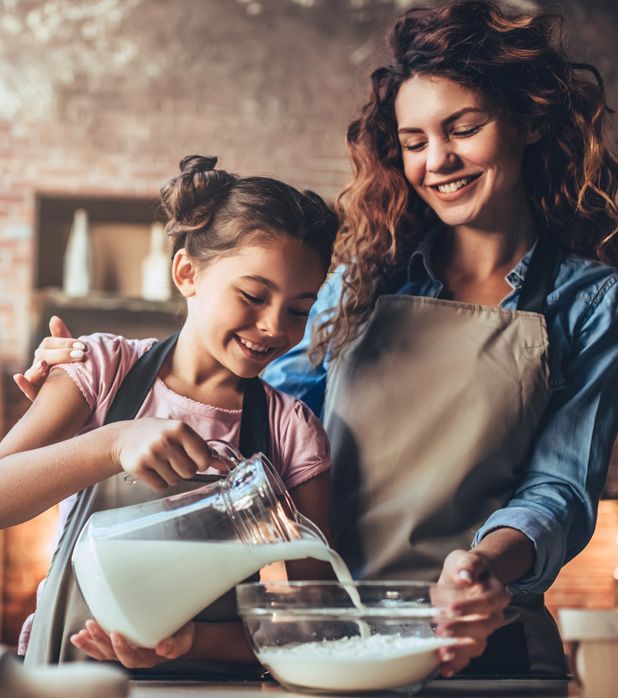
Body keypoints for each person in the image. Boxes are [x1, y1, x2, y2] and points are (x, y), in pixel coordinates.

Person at [19, 0, 618, 677]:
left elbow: (559, 490)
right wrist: (101, 382)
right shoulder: (362, 277)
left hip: (480, 640)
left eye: (465, 128)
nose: (439, 160)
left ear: (528, 121)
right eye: (415, 141)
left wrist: (482, 565)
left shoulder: (588, 301)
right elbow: (244, 400)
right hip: (342, 645)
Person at [0, 155, 340, 673]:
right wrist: (114, 443)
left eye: (299, 309)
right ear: (187, 273)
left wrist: (193, 641)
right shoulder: (102, 368)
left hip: (209, 678)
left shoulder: (290, 431)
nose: (274, 326)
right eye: (252, 295)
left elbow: (315, 620)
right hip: (68, 668)